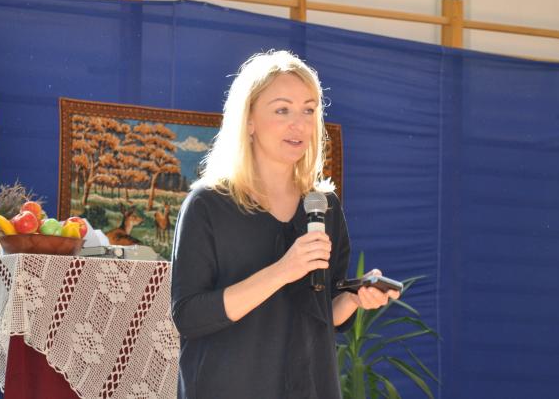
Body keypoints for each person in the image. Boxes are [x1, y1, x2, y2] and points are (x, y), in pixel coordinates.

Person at [170, 50, 399, 399]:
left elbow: (322, 313)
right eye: (282, 110)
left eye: (309, 110)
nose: (300, 124)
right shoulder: (207, 205)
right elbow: (189, 317)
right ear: (248, 120)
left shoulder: (324, 206)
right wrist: (282, 271)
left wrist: (355, 299)